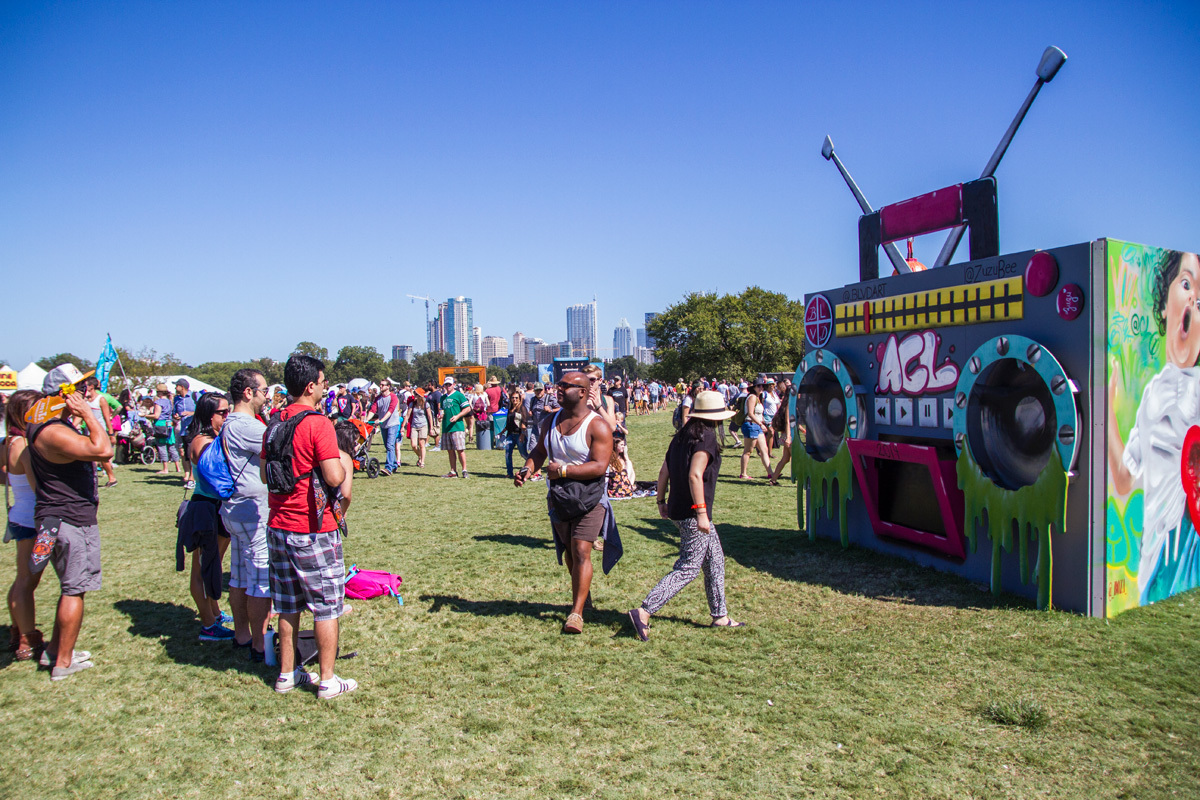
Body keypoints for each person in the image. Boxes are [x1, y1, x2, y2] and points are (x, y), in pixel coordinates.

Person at [1108, 249, 1200, 603]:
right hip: (1152, 565)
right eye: (1186, 283)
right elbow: (1123, 477)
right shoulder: (1152, 393)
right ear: (1164, 304)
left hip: (1186, 546)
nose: (1193, 297)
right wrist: (1109, 410)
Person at [262, 354, 355, 699]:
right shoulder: (318, 423)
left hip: (277, 525)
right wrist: (343, 466)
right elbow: (333, 476)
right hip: (312, 527)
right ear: (310, 385)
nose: (326, 386)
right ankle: (328, 679)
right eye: (323, 380)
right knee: (326, 605)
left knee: (287, 604)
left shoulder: (273, 422)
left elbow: (264, 475)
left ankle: (288, 673)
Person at [628, 391, 744, 641]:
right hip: (694, 513)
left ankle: (720, 615)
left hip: (679, 509)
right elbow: (695, 475)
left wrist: (661, 501)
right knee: (689, 567)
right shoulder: (707, 438)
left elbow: (663, 471)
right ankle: (644, 611)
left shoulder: (681, 437)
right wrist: (701, 514)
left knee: (715, 559)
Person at [26, 364, 113, 680]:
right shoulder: (54, 431)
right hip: (70, 520)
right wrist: (89, 414)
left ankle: (56, 650)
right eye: (80, 388)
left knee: (69, 588)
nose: (87, 391)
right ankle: (63, 663)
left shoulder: (47, 425)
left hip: (55, 517)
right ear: (64, 394)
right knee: (74, 590)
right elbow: (103, 449)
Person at [515, 371, 616, 634]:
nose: (558, 390)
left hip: (591, 498)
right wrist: (528, 468)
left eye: (565, 386)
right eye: (558, 385)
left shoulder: (597, 426)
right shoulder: (551, 420)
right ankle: (584, 597)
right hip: (560, 497)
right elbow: (540, 451)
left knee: (582, 549)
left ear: (582, 392)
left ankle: (576, 613)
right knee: (571, 553)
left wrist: (562, 471)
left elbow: (599, 466)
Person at [220, 369, 272, 660]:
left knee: (240, 576)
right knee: (259, 580)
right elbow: (278, 444)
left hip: (236, 507)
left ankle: (243, 634)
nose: (266, 397)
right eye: (263, 390)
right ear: (248, 393)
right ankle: (259, 643)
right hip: (252, 512)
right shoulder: (247, 426)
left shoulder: (232, 422)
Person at [177, 393, 235, 641]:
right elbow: (218, 475)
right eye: (222, 412)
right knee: (200, 569)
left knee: (213, 564)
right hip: (206, 507)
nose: (227, 416)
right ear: (208, 415)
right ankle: (208, 625)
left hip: (214, 506)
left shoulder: (209, 438)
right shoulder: (203, 442)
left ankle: (214, 612)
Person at [4, 390, 44, 660]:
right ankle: (26, 638)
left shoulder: (7, 442)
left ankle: (18, 630)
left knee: (23, 578)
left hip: (19, 515)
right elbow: (39, 487)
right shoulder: (24, 446)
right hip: (33, 520)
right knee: (27, 580)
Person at [367, 378, 402, 475]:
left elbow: (390, 411)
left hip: (392, 424)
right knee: (387, 446)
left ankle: (388, 468)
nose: (380, 386)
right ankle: (394, 464)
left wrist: (381, 420)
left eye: (383, 385)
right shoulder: (378, 398)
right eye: (380, 384)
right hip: (383, 425)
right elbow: (372, 410)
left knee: (390, 445)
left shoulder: (393, 397)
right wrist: (366, 419)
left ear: (388, 386)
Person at [439, 377, 472, 479]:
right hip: (446, 427)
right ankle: (453, 471)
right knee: (450, 450)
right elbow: (442, 410)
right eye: (446, 385)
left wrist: (458, 416)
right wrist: (440, 416)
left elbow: (467, 408)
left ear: (454, 385)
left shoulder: (459, 395)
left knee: (460, 449)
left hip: (457, 427)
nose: (448, 386)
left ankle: (464, 470)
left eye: (450, 384)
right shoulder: (442, 398)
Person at [149, 383, 181, 475]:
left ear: (158, 392)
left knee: (162, 446)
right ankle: (178, 467)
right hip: (169, 424)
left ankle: (165, 468)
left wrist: (145, 415)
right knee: (172, 446)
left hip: (160, 425)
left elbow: (156, 415)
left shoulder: (158, 402)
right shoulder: (169, 401)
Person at [174, 379, 196, 488]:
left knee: (192, 455)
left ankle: (192, 479)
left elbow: (202, 410)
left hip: (193, 429)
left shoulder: (194, 396)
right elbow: (174, 412)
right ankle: (188, 476)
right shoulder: (176, 399)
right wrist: (176, 416)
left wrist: (191, 413)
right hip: (183, 430)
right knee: (185, 455)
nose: (175, 388)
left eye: (176, 386)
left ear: (182, 387)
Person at [503, 386, 528, 478]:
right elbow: (508, 423)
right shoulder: (510, 409)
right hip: (510, 434)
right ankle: (509, 473)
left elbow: (524, 423)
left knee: (523, 454)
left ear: (519, 399)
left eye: (516, 398)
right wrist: (502, 432)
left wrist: (522, 434)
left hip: (519, 434)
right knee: (507, 453)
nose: (514, 399)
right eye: (513, 398)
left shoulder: (522, 408)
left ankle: (533, 468)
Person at [405, 390, 432, 468]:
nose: (414, 396)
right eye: (414, 394)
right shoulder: (412, 404)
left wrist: (431, 427)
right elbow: (407, 415)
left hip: (423, 425)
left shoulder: (426, 404)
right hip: (414, 425)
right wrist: (403, 425)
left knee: (421, 444)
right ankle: (420, 456)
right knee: (413, 445)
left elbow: (429, 416)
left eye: (416, 394)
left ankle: (422, 462)